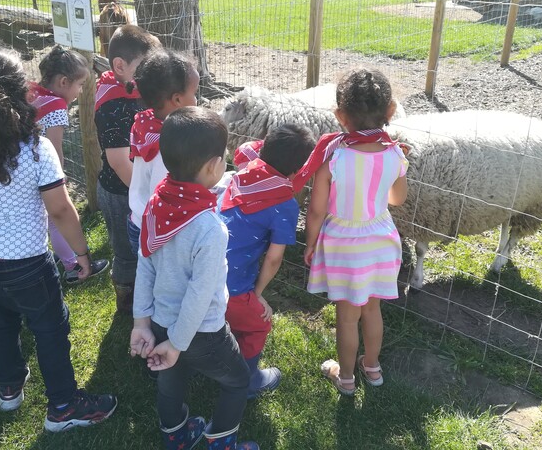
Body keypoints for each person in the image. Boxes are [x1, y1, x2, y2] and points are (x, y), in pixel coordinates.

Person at [0, 46, 117, 431]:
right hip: (28, 265)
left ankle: (9, 388)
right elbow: (61, 210)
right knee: (50, 328)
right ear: (20, 93)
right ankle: (64, 407)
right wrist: (81, 253)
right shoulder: (35, 148)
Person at [130, 107, 259, 450]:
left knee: (169, 381)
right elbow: (200, 295)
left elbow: (146, 263)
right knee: (237, 381)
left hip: (160, 320)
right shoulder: (209, 230)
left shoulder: (157, 205)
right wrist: (178, 343)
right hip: (203, 332)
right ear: (212, 166)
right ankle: (221, 442)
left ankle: (176, 436)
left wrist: (142, 323)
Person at [301, 68, 408, 395]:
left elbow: (317, 209)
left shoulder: (333, 156)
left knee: (347, 317)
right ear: (390, 110)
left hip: (344, 244)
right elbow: (397, 199)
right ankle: (372, 367)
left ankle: (345, 378)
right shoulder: (396, 154)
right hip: (379, 240)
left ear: (340, 115)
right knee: (372, 309)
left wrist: (309, 243)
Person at [219, 125, 315, 398]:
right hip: (233, 285)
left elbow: (246, 152)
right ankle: (248, 381)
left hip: (201, 266)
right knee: (257, 322)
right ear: (297, 171)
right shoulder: (284, 203)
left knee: (213, 316)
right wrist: (256, 294)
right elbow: (273, 259)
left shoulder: (245, 170)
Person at [95, 24, 161, 314]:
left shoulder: (135, 89)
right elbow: (120, 162)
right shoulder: (113, 104)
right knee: (125, 252)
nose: (149, 73)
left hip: (140, 191)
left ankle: (146, 294)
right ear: (119, 66)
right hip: (121, 193)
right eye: (144, 67)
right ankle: (127, 299)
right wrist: (146, 197)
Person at [31, 45, 109, 283]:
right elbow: (54, 149)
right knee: (57, 218)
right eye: (81, 85)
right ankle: (72, 266)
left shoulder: (33, 93)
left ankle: (49, 255)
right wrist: (59, 177)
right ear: (64, 82)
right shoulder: (55, 107)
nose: (81, 90)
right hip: (41, 172)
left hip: (23, 166)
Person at [127, 49, 199, 291]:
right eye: (195, 94)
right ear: (177, 100)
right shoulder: (166, 145)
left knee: (148, 278)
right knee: (164, 286)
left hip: (138, 219)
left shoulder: (145, 123)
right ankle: (160, 323)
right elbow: (166, 199)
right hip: (158, 230)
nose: (197, 100)